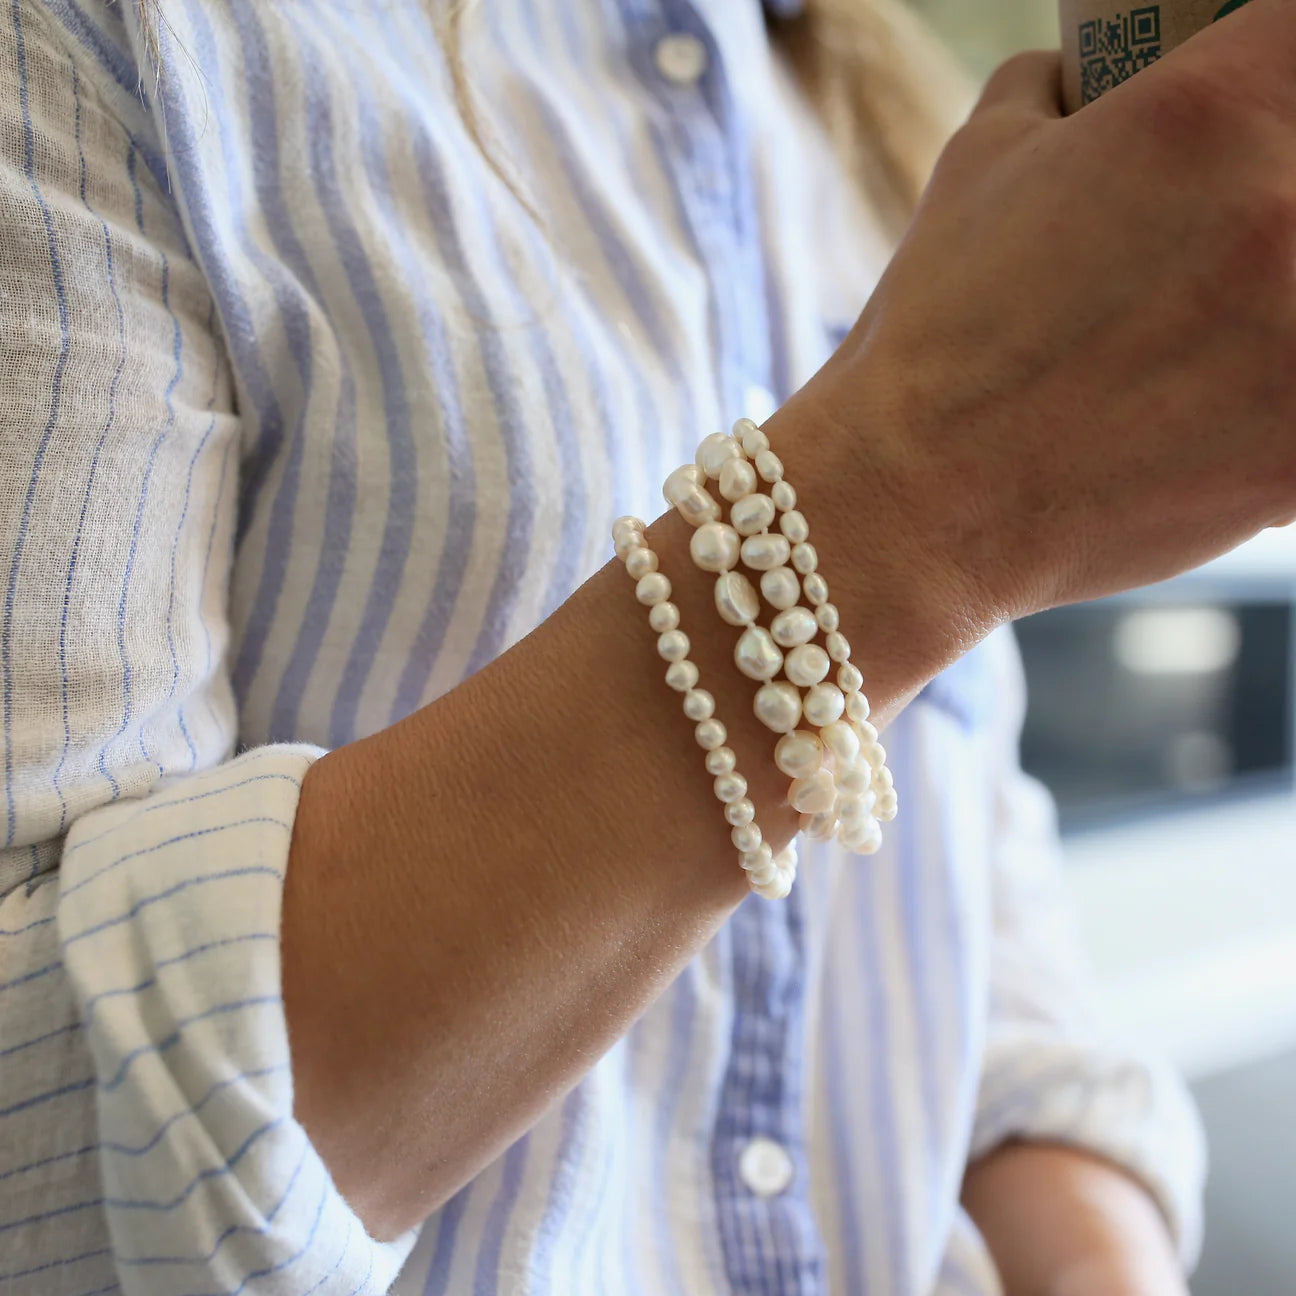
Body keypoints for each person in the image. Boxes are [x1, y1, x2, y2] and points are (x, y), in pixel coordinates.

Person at [2, 0, 1294, 1290]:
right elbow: (41, 1134)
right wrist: (916, 496)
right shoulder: (125, 42)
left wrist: (1094, 1253)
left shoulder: (852, 114)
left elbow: (960, 884)